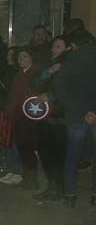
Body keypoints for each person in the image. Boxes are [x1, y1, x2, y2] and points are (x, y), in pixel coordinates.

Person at [51, 27, 96, 207]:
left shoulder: (68, 62)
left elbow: (60, 91)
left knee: (72, 156)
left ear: (74, 45)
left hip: (76, 116)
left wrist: (81, 112)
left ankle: (70, 195)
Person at [31, 36, 69, 202]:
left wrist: (51, 97)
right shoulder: (49, 65)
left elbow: (69, 91)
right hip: (44, 117)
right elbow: (35, 83)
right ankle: (51, 187)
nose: (54, 49)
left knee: (58, 156)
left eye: (59, 47)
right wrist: (49, 72)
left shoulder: (69, 66)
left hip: (60, 118)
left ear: (68, 48)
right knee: (46, 154)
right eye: (53, 46)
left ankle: (60, 189)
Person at [0, 49, 40, 190]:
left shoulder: (33, 74)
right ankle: (27, 177)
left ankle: (31, 178)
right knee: (22, 146)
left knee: (27, 147)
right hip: (17, 115)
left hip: (26, 116)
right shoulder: (20, 74)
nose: (22, 60)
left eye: (25, 56)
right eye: (19, 57)